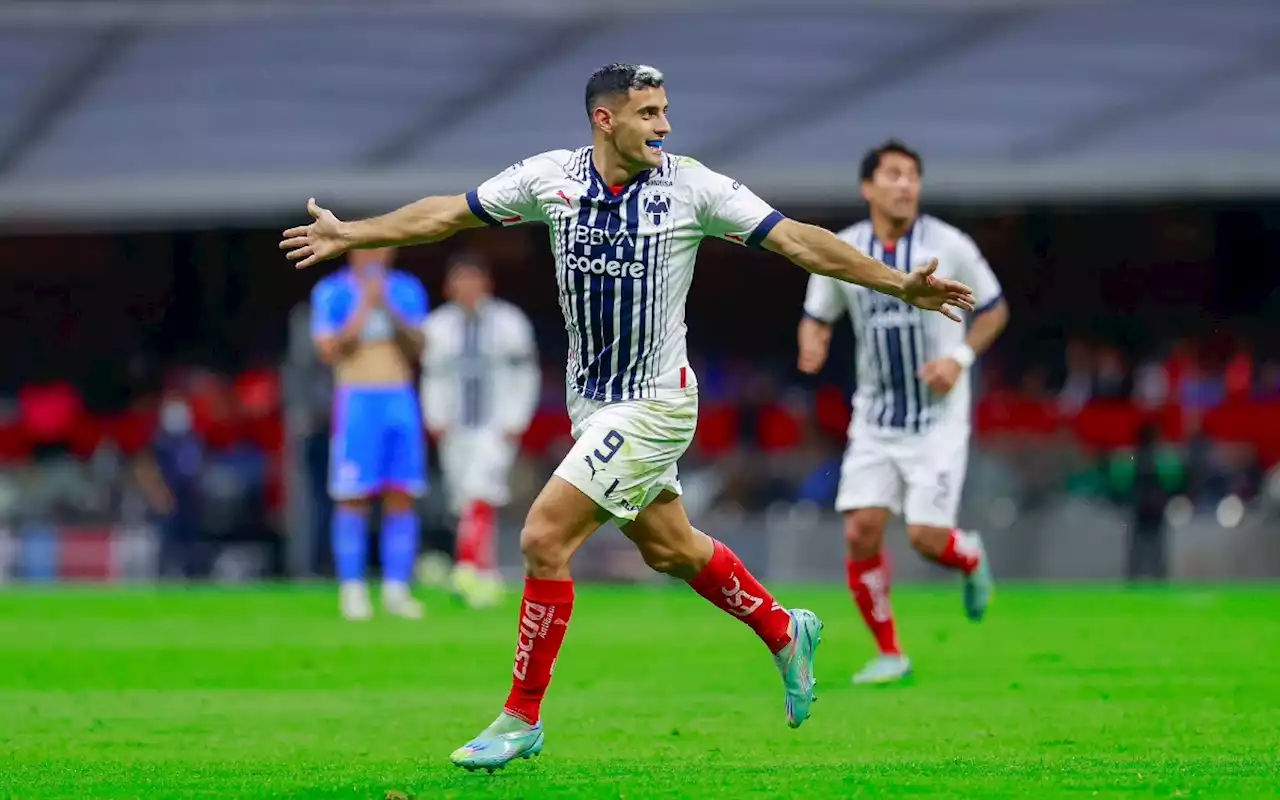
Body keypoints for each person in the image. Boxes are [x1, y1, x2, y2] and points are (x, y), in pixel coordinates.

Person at [281, 64, 975, 771]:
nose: (664, 126)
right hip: (596, 407)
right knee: (670, 549)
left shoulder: (693, 187)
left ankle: (521, 717)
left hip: (657, 403)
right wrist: (354, 235)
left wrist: (897, 284)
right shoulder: (551, 178)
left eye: (665, 111)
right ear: (605, 120)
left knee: (543, 536)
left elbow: (797, 239)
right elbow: (447, 213)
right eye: (648, 113)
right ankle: (783, 629)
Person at [797, 140, 1009, 686]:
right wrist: (813, 341)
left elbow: (995, 308)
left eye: (912, 175)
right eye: (892, 174)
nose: (904, 184)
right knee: (860, 531)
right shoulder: (847, 248)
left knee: (925, 539)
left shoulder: (948, 243)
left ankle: (967, 557)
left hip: (937, 418)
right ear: (868, 187)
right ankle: (891, 653)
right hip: (875, 416)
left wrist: (959, 358)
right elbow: (816, 312)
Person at [310, 246, 429, 620]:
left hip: (400, 399)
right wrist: (364, 305)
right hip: (357, 401)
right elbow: (329, 349)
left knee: (402, 493)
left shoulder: (407, 289)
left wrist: (388, 307)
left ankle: (396, 588)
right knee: (352, 495)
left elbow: (420, 346)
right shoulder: (332, 291)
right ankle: (353, 589)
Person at [420, 252, 541, 607]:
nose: (467, 288)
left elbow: (526, 373)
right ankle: (483, 574)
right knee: (463, 498)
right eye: (460, 281)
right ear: (449, 287)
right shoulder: (438, 326)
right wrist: (435, 416)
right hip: (455, 425)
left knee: (482, 491)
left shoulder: (509, 322)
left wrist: (516, 418)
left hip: (494, 424)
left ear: (486, 284)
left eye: (473, 280)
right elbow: (432, 376)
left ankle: (467, 567)